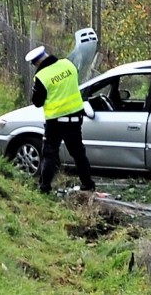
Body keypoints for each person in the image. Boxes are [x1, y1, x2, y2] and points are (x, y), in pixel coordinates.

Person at [26, 45, 95, 194]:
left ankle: (44, 188)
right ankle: (88, 184)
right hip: (76, 117)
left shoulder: (41, 77)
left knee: (50, 154)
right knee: (78, 153)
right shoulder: (67, 64)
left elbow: (37, 102)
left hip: (55, 122)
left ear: (36, 63)